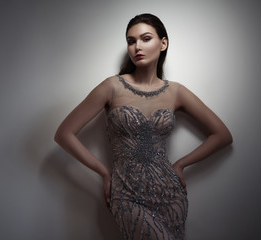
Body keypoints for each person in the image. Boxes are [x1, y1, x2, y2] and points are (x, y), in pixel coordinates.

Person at [54, 13, 232, 240]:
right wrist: (104, 173)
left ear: (163, 43)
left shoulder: (176, 91)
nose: (137, 46)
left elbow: (222, 135)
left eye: (145, 38)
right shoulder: (111, 87)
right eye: (131, 41)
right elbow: (64, 134)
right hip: (126, 193)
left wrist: (181, 165)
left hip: (169, 193)